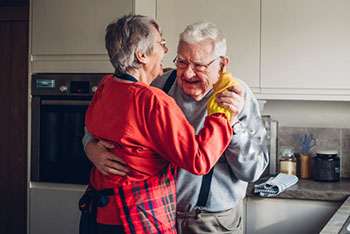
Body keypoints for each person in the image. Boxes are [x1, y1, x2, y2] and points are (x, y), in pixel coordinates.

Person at [83, 20, 268, 234]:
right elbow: (103, 121)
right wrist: (91, 147)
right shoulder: (157, 85)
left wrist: (233, 124)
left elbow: (253, 171)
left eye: (199, 65)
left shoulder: (239, 97)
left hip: (211, 223)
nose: (188, 74)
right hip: (152, 216)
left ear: (222, 64)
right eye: (182, 62)